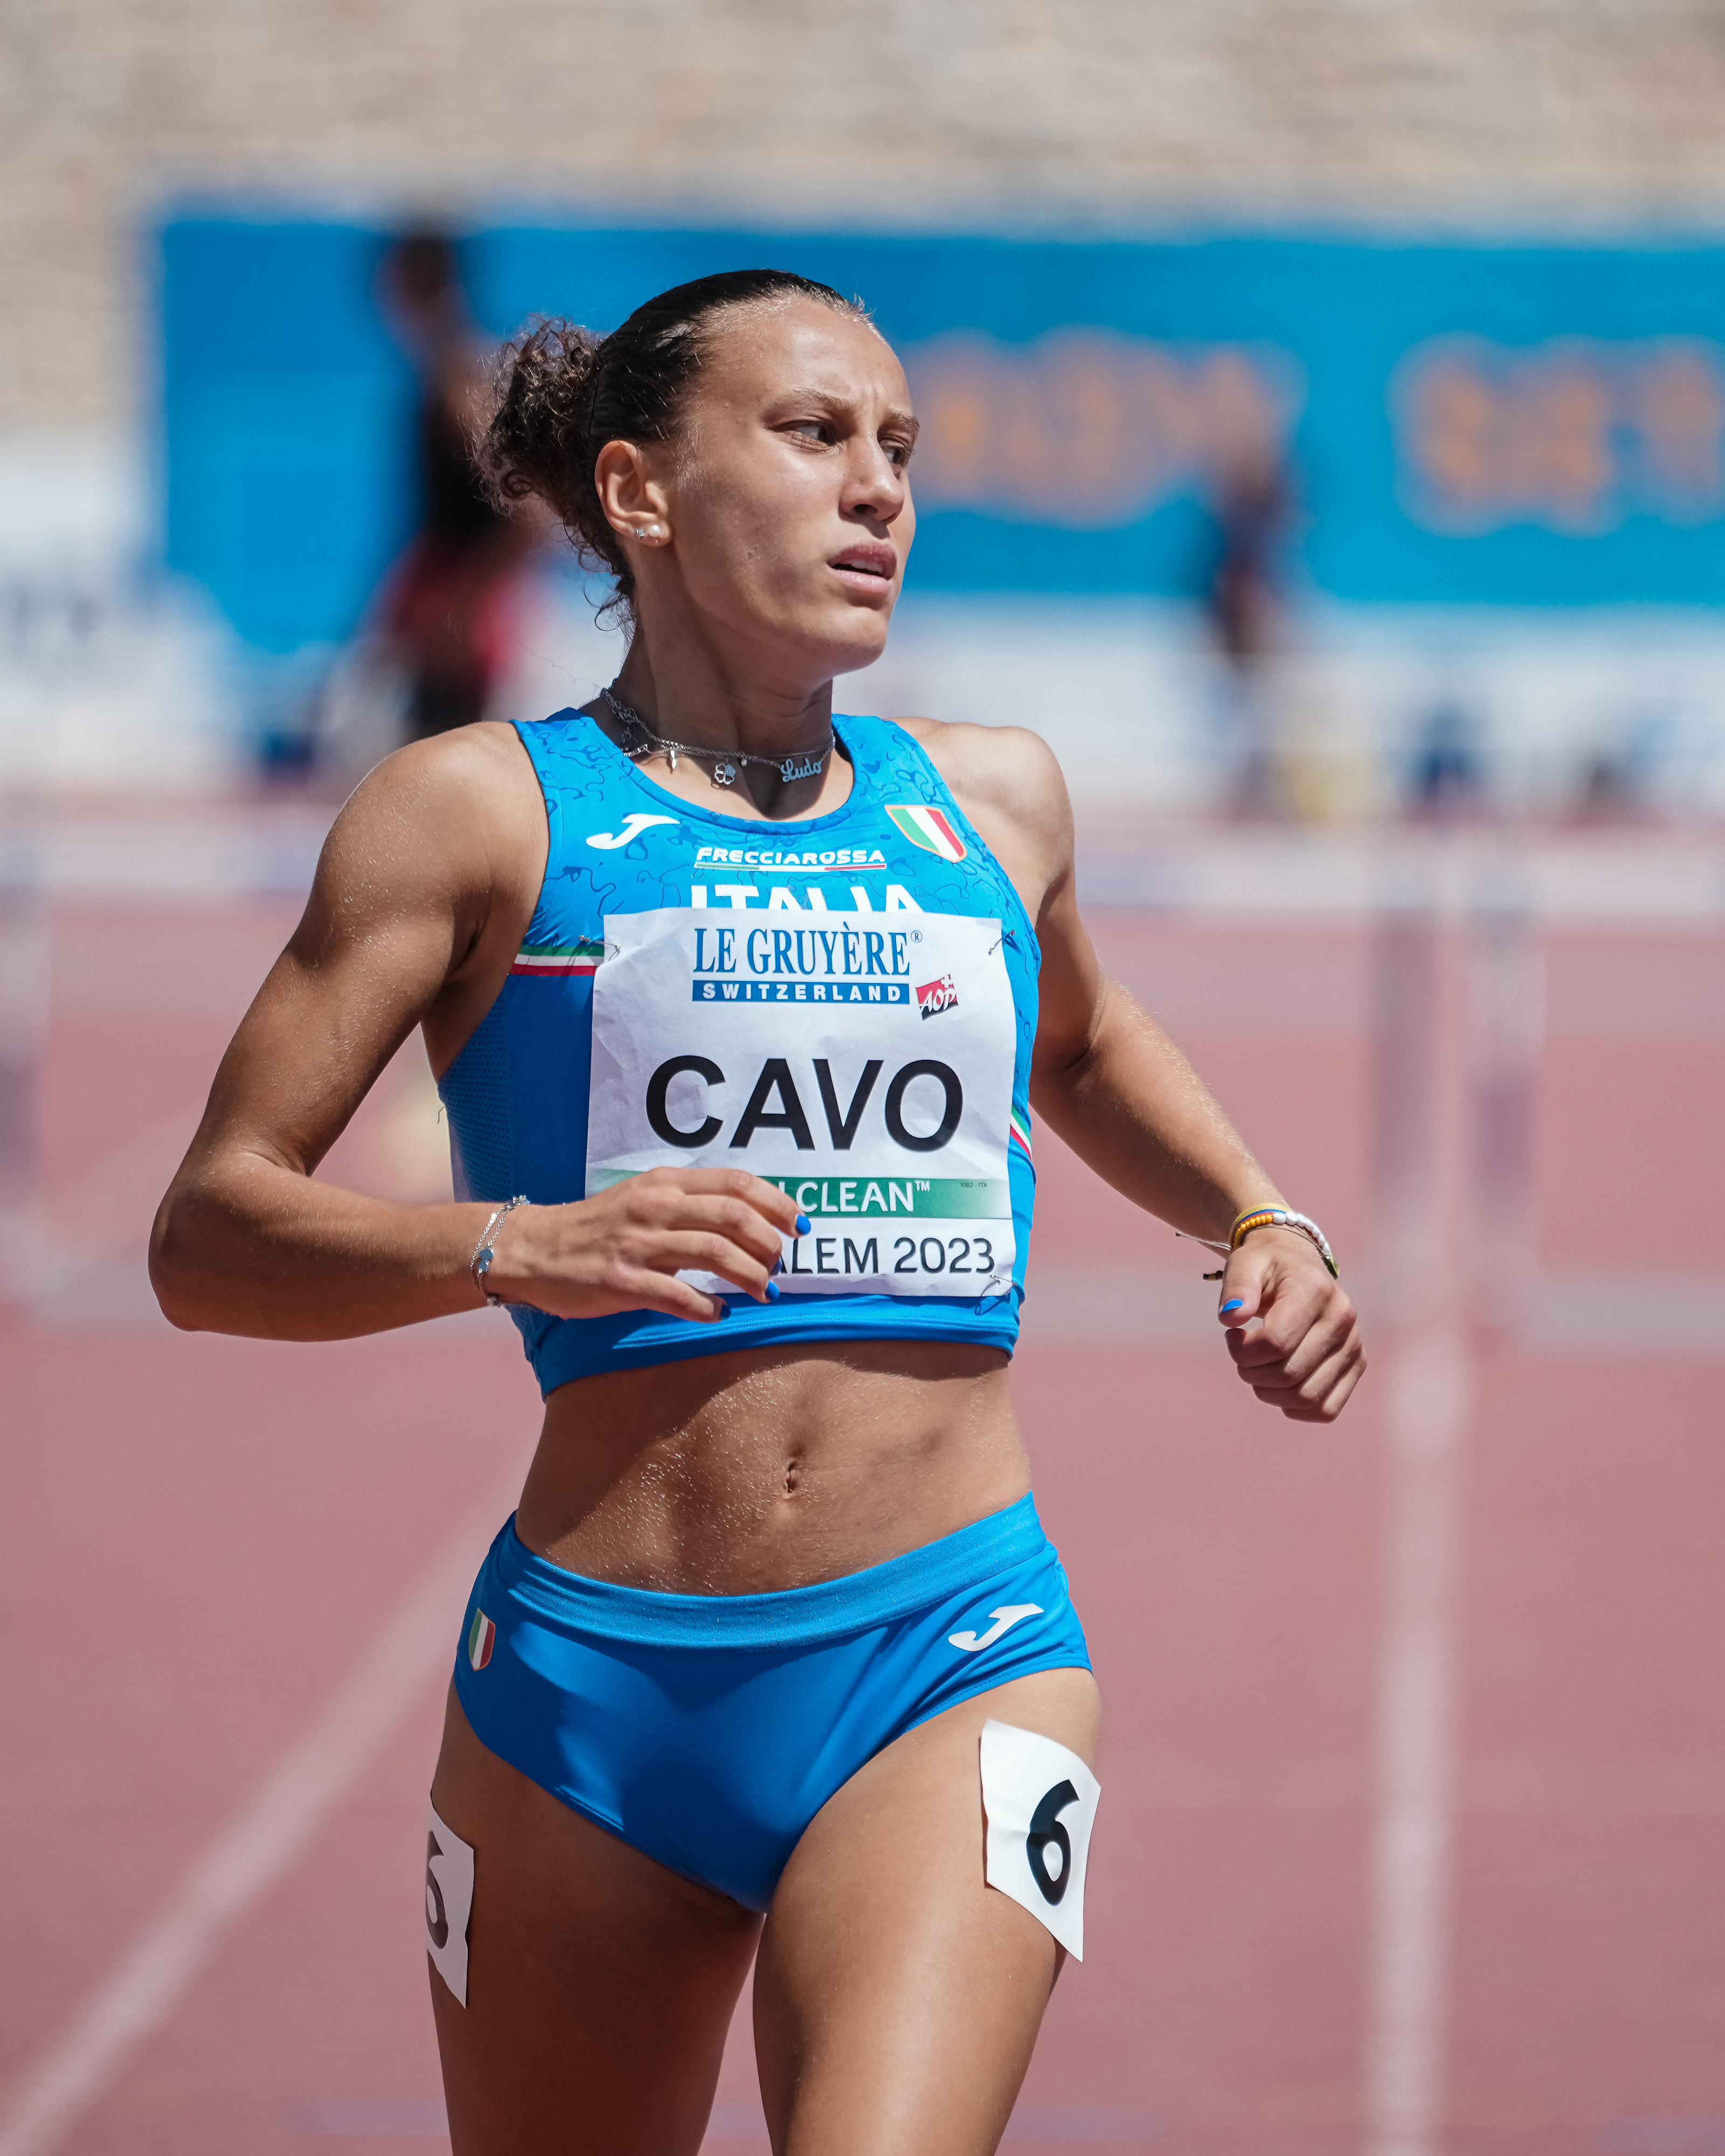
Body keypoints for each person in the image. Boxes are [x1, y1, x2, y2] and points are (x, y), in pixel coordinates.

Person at [150, 269, 1364, 2156]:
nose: (878, 487)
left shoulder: (993, 803)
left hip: (949, 1650)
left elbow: (1085, 1038)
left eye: (899, 447)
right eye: (813, 435)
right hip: (587, 1697)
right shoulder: (476, 817)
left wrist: (1265, 1217)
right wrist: (516, 1243)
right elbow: (208, 1235)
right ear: (637, 490)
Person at [375, 229, 539, 739]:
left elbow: (527, 513)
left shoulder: (458, 382)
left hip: (458, 617)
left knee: (436, 756)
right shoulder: (458, 372)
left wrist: (466, 601)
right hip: (447, 604)